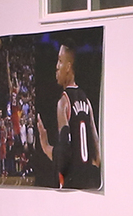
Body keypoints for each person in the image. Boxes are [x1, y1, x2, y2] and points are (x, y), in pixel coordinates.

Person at [37, 41, 99, 191]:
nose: (56, 66)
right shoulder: (87, 101)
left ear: (69, 67)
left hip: (72, 186)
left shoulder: (64, 102)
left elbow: (63, 157)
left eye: (60, 61)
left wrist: (45, 146)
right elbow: (97, 156)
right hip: (89, 183)